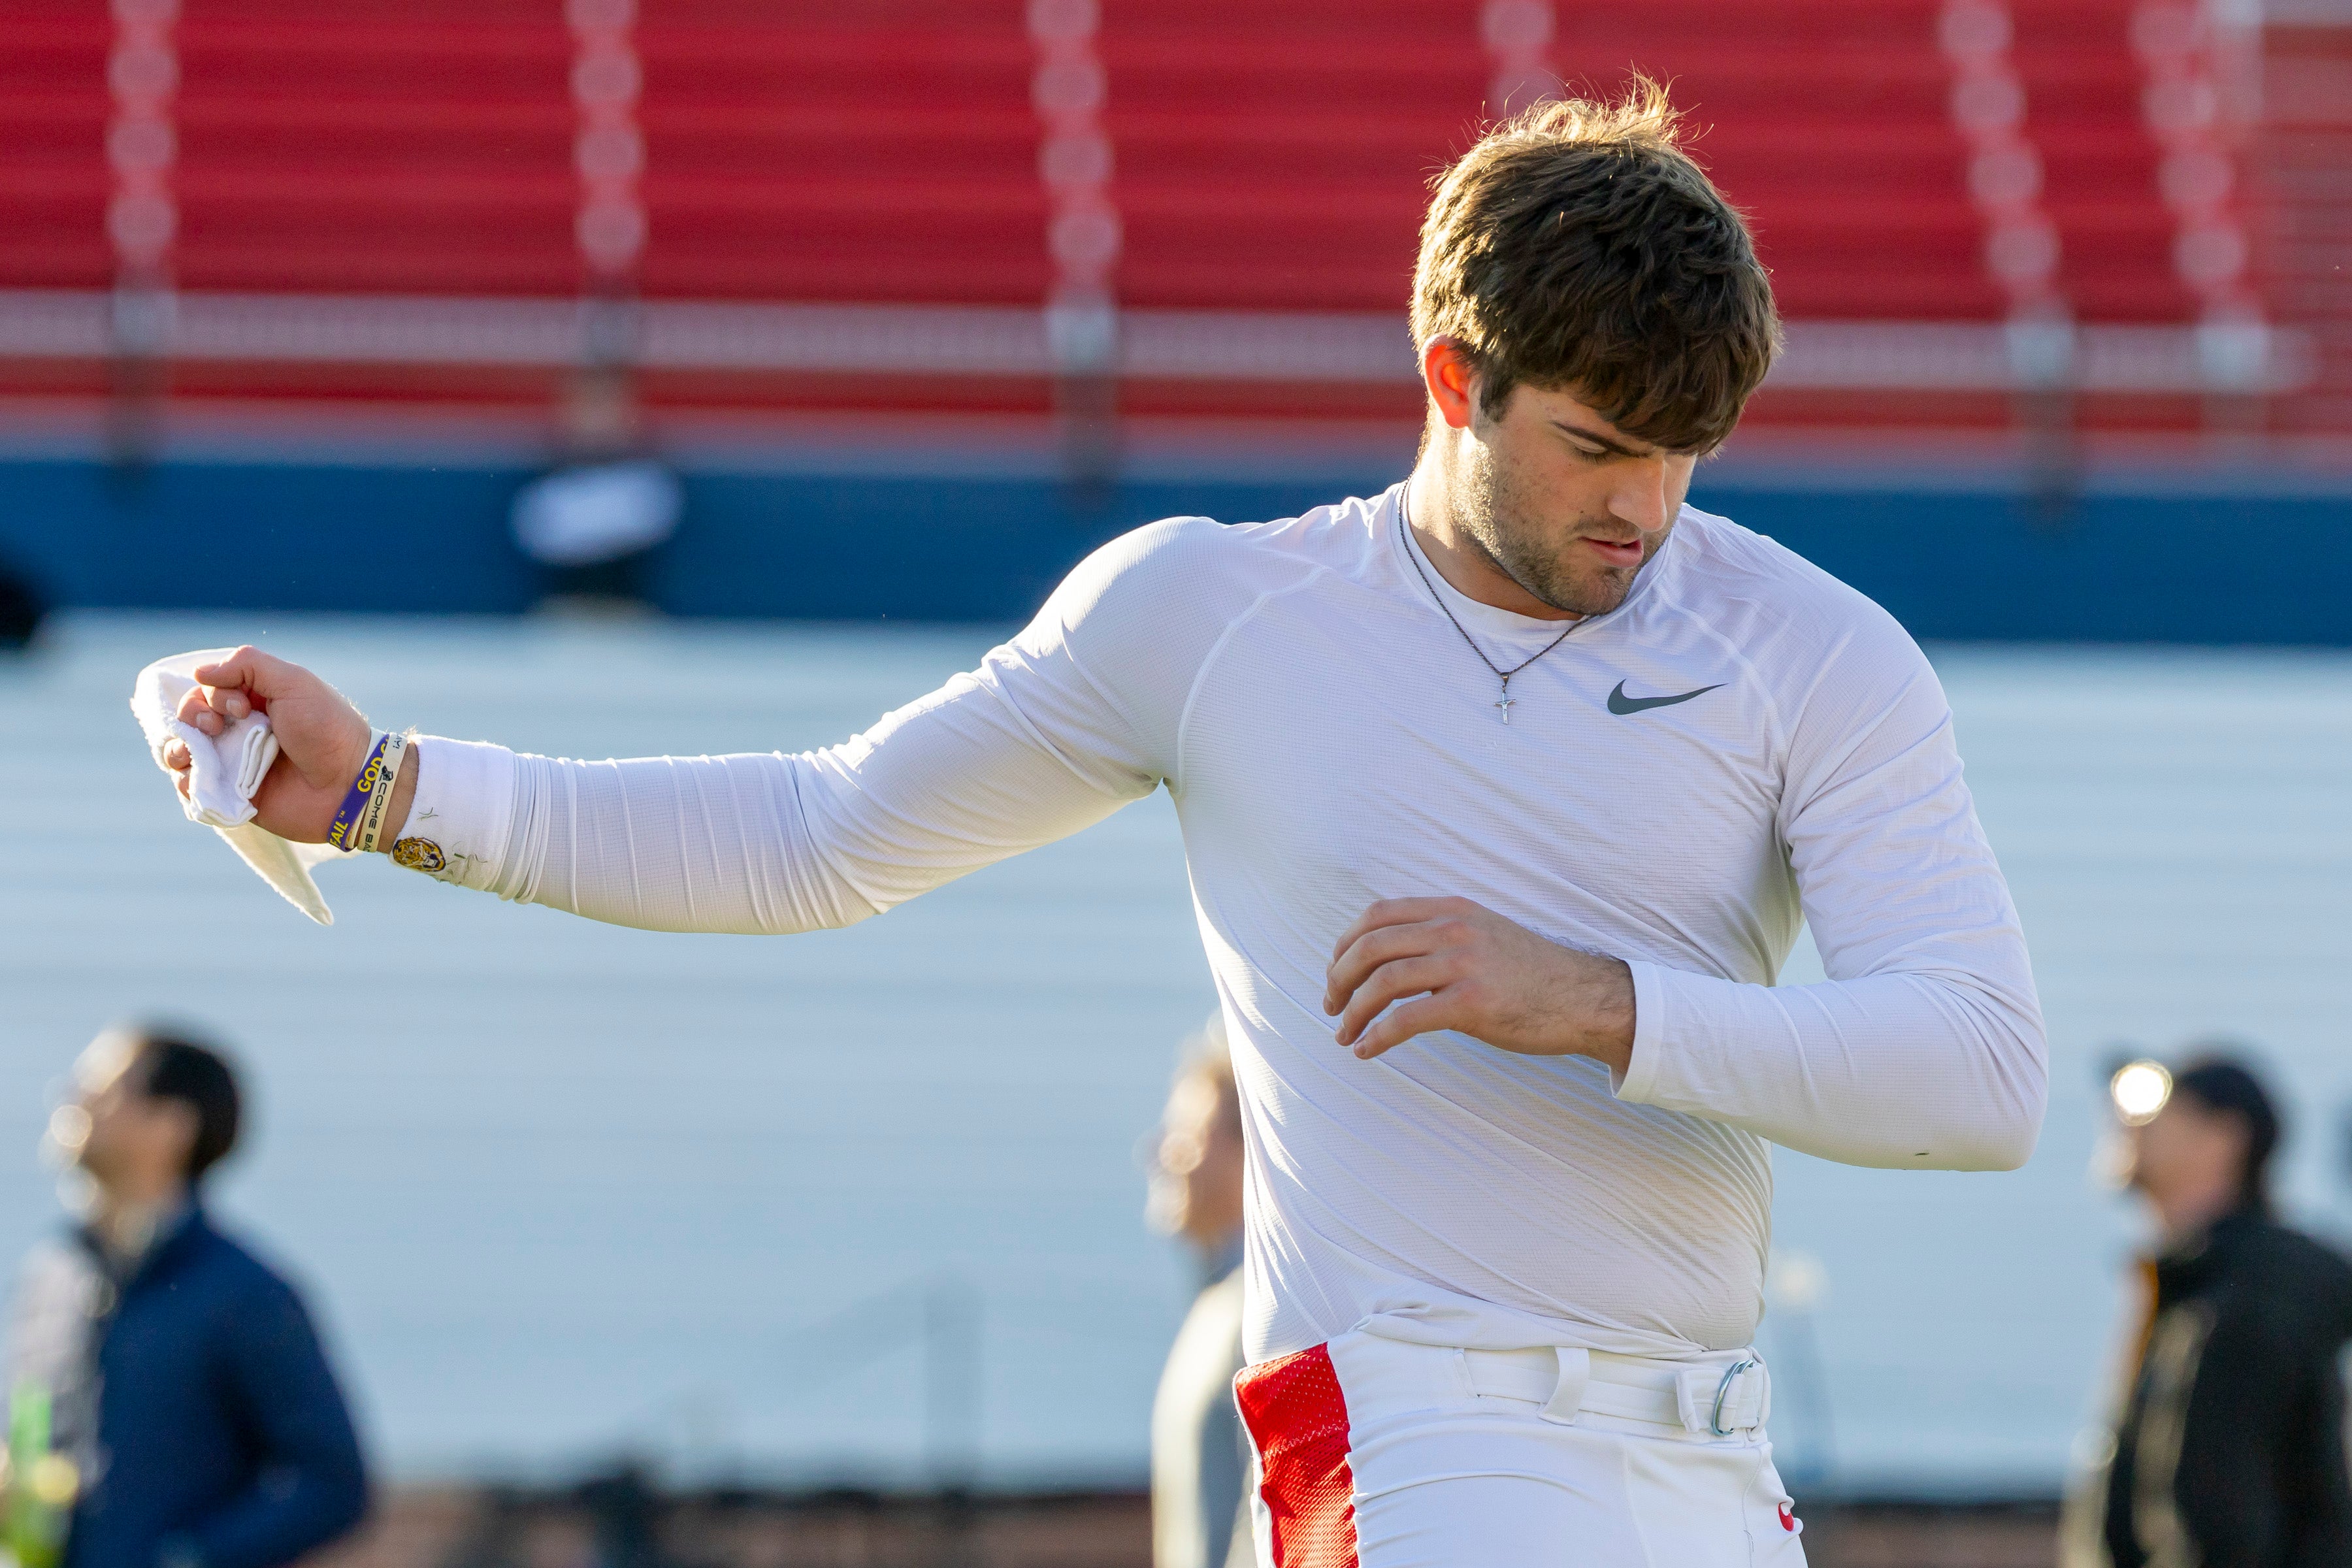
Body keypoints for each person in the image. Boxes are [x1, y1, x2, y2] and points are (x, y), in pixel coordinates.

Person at [159, 82, 2046, 1567]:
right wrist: (392, 792)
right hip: (1415, 1440)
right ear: (1452, 379)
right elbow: (819, 834)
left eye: (1688, 451)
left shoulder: (1815, 648)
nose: (1651, 506)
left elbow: (1980, 1079)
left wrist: (1601, 1002)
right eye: (1600, 446)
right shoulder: (1214, 615)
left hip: (1717, 1469)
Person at [5, 1028, 369, 1568]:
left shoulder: (244, 1295)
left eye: (103, 1090)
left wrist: (192, 1557)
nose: (73, 1101)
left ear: (172, 1126)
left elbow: (332, 1482)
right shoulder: (52, 1276)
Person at [2063, 1054, 2352, 1568]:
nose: (2128, 1123)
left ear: (2225, 1137)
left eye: (2152, 1101)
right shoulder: (2191, 1287)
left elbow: (2220, 1524)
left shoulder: (2253, 1298)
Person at [1145, 1018, 1255, 1568]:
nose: (1165, 1155)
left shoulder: (1263, 1316)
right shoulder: (1218, 1307)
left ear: (1249, 1151)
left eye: (1189, 1134)